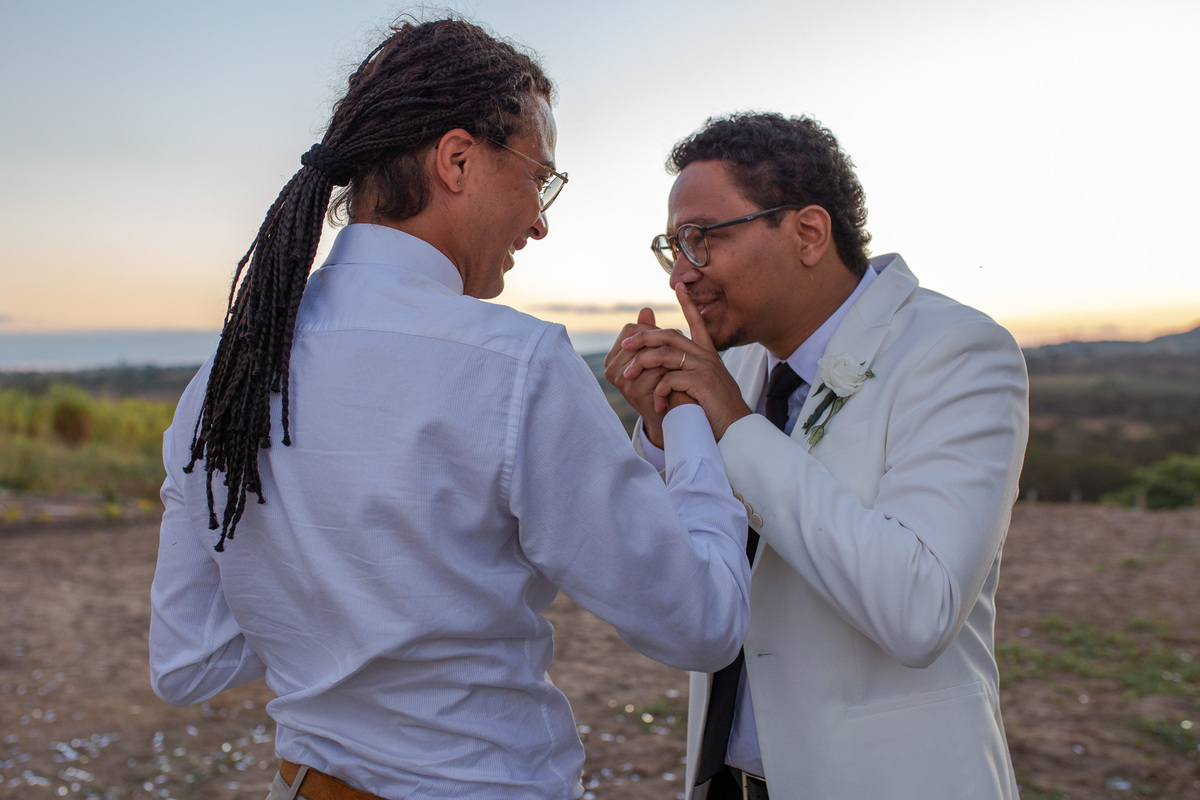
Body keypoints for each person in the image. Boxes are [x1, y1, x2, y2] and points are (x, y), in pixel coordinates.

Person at [149, 19, 751, 800]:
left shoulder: (221, 385)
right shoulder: (512, 366)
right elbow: (701, 620)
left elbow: (187, 662)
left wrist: (335, 605)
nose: (540, 219)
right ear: (458, 160)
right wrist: (689, 425)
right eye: (540, 178)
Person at [606, 112, 1029, 800]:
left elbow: (919, 611)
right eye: (673, 246)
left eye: (702, 240)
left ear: (807, 233)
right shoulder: (736, 371)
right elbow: (673, 579)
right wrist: (661, 438)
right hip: (722, 782)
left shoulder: (960, 353)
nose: (682, 276)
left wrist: (736, 428)